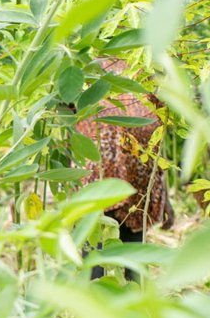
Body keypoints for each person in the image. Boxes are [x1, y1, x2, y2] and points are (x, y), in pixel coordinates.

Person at [74, 59, 174, 281]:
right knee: (95, 253)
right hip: (98, 177)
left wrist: (164, 196)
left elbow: (158, 139)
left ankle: (130, 305)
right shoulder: (88, 69)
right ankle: (97, 305)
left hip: (137, 181)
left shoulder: (149, 71)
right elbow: (66, 112)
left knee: (131, 256)